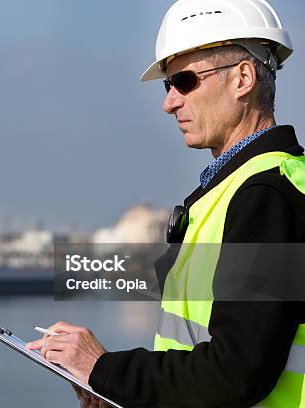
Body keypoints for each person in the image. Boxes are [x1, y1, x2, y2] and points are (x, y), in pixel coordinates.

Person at [26, 0, 305, 407]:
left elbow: (238, 372)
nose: (169, 102)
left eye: (185, 81)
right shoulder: (236, 192)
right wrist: (119, 391)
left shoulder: (264, 197)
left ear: (243, 78)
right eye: (167, 85)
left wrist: (103, 369)